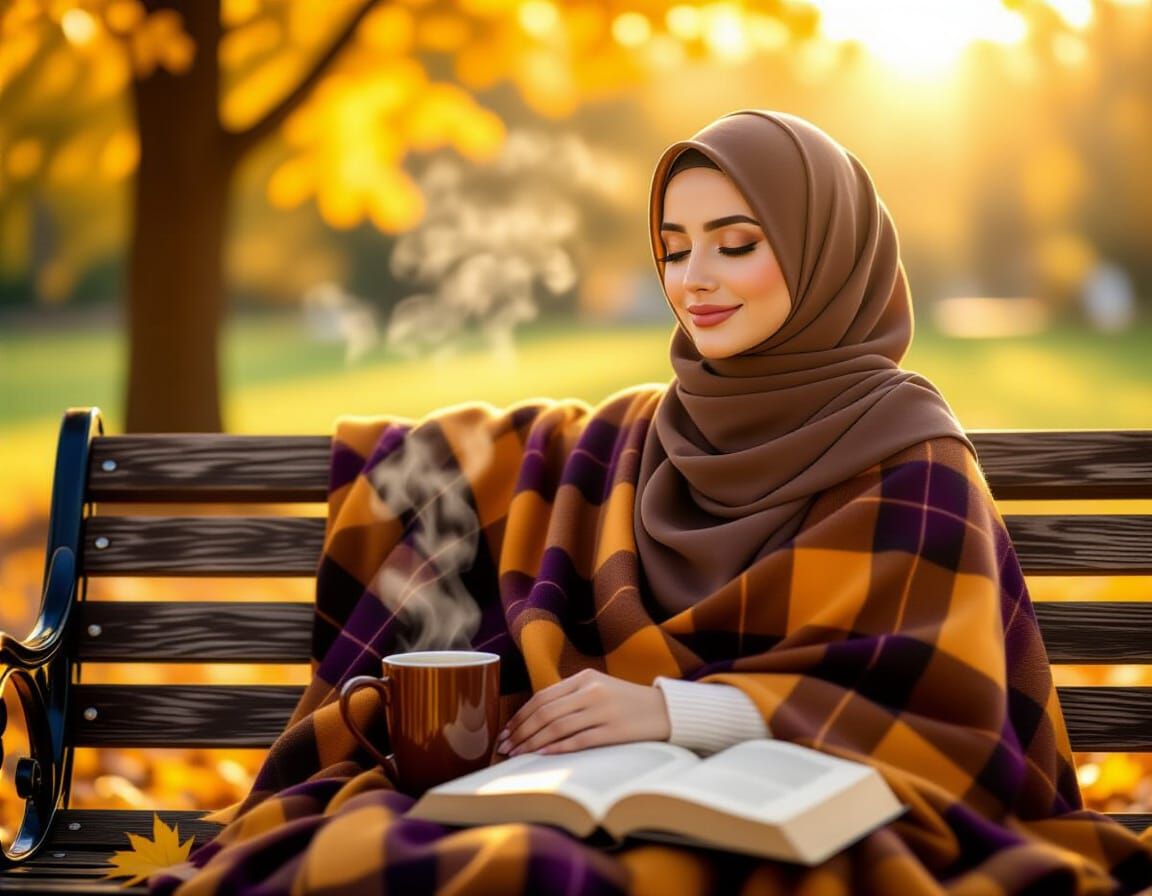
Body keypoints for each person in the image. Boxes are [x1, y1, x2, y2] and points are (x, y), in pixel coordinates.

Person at [153, 111, 1152, 895]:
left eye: (735, 242)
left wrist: (672, 709)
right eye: (674, 247)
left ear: (824, 252)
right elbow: (478, 489)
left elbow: (948, 718)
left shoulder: (914, 454)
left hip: (844, 813)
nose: (695, 281)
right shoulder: (635, 436)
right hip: (599, 801)